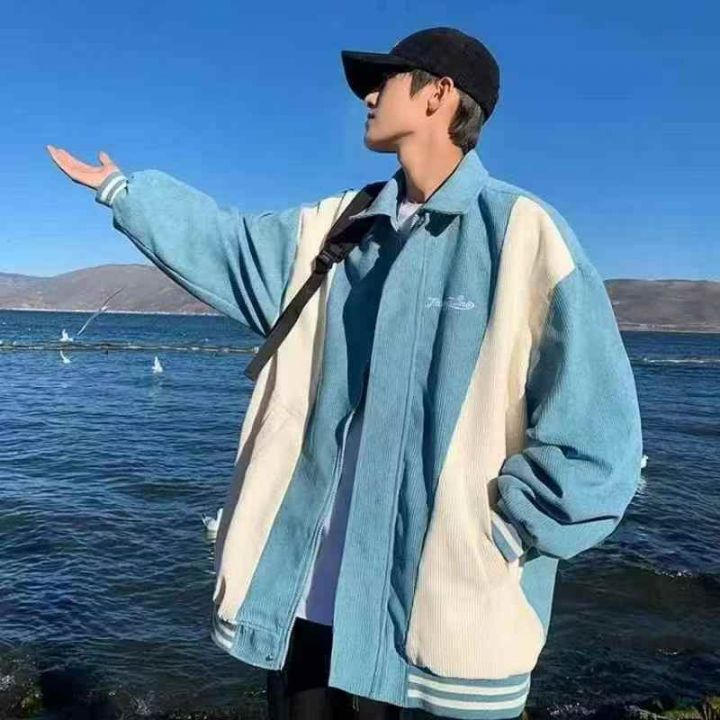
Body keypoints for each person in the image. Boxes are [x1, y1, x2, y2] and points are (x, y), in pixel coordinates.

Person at [47, 26, 643, 720]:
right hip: (306, 605)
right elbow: (231, 248)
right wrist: (124, 192)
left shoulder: (524, 233)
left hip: (442, 621)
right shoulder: (338, 225)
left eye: (384, 81)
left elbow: (599, 443)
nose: (367, 96)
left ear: (439, 95)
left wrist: (497, 537)